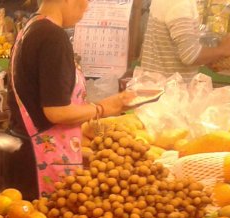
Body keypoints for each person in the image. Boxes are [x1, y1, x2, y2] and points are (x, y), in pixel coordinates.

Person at [7, 0, 135, 200]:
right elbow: (56, 111)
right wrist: (102, 108)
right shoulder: (53, 36)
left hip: (24, 153)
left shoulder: (31, 26)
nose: (87, 6)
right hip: (42, 161)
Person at [140, 0, 230, 79]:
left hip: (155, 87)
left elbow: (174, 47)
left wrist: (211, 58)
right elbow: (189, 55)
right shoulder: (181, 4)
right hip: (169, 93)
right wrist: (223, 50)